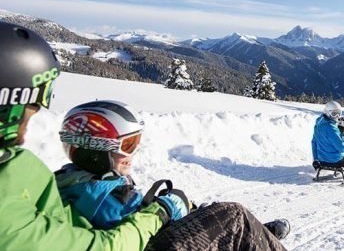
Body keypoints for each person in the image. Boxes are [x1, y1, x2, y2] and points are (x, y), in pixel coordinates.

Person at [0, 22, 325, 251]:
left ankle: (246, 245)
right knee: (230, 220)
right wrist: (159, 213)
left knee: (216, 225)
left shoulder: (19, 166)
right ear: (8, 104)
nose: (34, 115)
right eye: (32, 104)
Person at [55, 99, 291, 239]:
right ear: (96, 150)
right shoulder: (100, 196)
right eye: (128, 145)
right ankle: (247, 236)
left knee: (197, 209)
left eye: (135, 143)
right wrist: (169, 207)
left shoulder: (75, 181)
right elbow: (137, 230)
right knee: (220, 215)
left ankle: (249, 231)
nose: (133, 153)